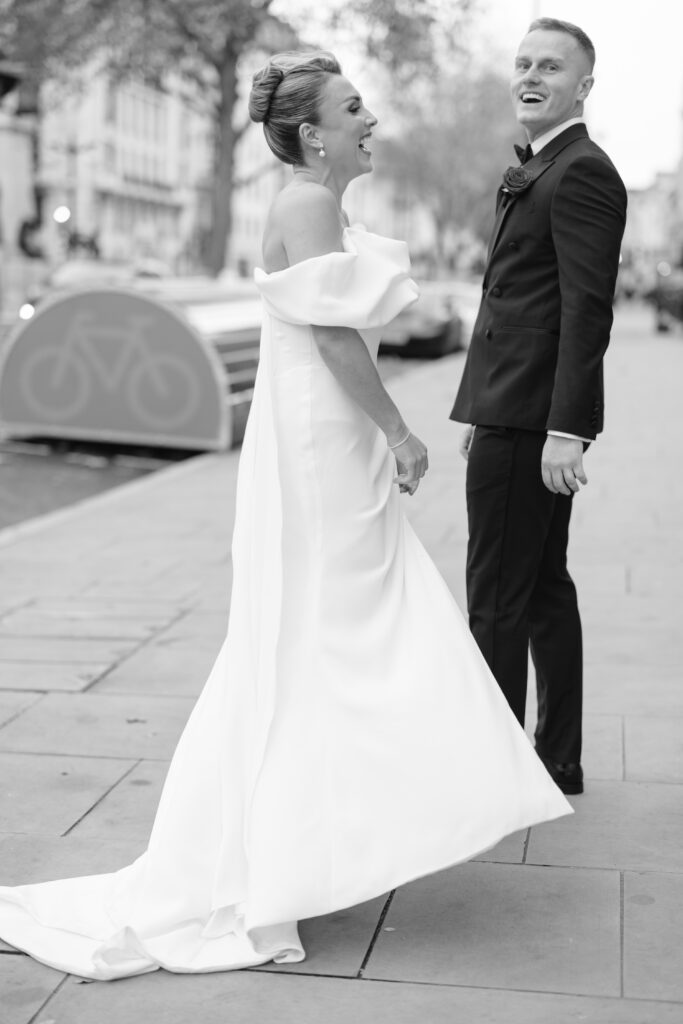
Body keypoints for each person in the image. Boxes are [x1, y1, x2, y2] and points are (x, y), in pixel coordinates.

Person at [0, 50, 570, 981]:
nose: (370, 120)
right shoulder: (305, 204)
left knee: (338, 626)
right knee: (326, 627)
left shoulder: (321, 205)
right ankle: (295, 846)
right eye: (353, 109)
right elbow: (333, 337)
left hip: (328, 431)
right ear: (313, 134)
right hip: (319, 437)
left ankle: (333, 832)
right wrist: (398, 432)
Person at [451, 19, 627, 796]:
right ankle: (555, 758)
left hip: (532, 419)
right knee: (543, 586)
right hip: (512, 406)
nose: (530, 75)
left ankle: (493, 775)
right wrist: (480, 408)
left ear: (582, 86)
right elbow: (514, 301)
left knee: (495, 598)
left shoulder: (580, 171)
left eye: (550, 67)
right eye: (522, 62)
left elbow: (586, 310)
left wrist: (566, 429)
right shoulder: (545, 164)